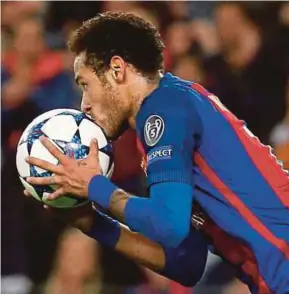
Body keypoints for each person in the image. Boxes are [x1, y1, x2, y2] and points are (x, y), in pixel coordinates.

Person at [25, 12, 289, 294]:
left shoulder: (163, 109)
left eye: (85, 85)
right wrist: (90, 222)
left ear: (117, 69)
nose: (84, 105)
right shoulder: (168, 113)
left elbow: (168, 223)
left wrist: (93, 186)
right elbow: (186, 264)